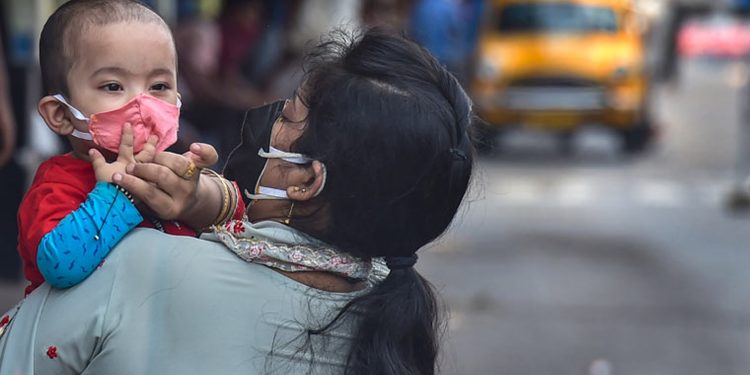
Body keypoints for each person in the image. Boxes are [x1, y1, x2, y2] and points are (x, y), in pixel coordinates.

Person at [0, 29, 476, 375]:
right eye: (113, 86)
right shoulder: (388, 309)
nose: (267, 121)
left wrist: (122, 198)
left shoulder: (135, 267)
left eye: (287, 117)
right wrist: (216, 201)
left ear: (307, 182)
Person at [16, 0, 243, 295]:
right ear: (61, 114)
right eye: (113, 86)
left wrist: (202, 196)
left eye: (159, 86)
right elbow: (60, 264)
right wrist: (116, 194)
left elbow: (243, 223)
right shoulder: (57, 184)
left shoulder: (173, 170)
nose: (143, 105)